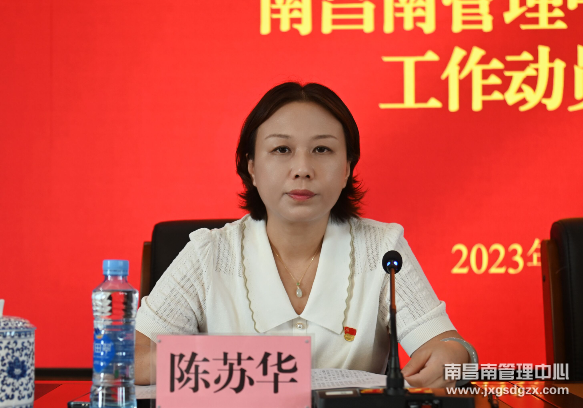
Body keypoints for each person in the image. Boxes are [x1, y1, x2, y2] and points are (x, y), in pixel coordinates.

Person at [134, 82, 475, 387]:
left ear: (347, 168)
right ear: (252, 167)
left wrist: (454, 358)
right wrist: (246, 366)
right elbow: (131, 359)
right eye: (281, 150)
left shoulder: (381, 249)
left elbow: (447, 347)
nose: (302, 169)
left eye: (322, 150)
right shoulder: (209, 253)